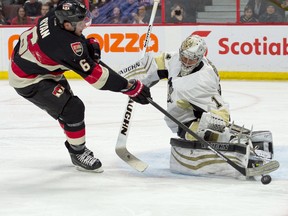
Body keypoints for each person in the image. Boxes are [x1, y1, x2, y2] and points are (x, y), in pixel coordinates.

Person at [8, 0, 151, 172]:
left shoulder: (56, 16)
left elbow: (74, 41)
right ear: (67, 24)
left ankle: (75, 143)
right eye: (81, 23)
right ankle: (78, 153)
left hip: (37, 65)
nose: (84, 25)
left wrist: (86, 47)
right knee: (73, 109)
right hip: (29, 79)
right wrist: (130, 87)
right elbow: (99, 79)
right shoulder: (64, 46)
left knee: (66, 110)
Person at [120, 35, 275, 179]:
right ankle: (236, 137)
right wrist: (122, 80)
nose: (186, 62)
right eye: (184, 57)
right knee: (193, 128)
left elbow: (220, 110)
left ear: (200, 58)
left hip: (197, 114)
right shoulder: (174, 59)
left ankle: (245, 144)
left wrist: (221, 127)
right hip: (178, 113)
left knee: (209, 128)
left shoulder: (203, 79)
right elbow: (151, 64)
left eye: (192, 60)